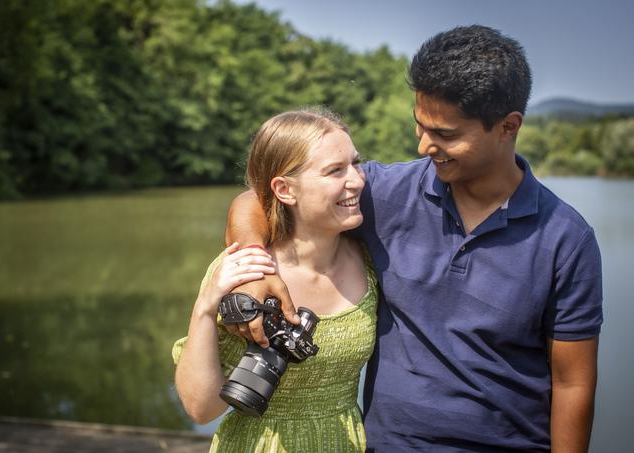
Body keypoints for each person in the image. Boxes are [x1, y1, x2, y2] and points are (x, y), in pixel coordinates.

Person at [224, 25, 603, 452]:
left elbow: (573, 383)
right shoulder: (387, 195)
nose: (424, 145)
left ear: (507, 127)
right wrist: (250, 268)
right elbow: (256, 200)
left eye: (444, 134)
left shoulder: (566, 239)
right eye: (420, 126)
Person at [172, 107, 379, 452]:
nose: (357, 179)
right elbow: (202, 408)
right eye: (335, 171)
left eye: (355, 163)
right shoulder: (243, 271)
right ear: (284, 189)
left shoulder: (371, 260)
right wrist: (205, 309)